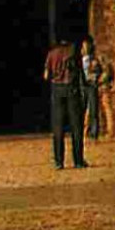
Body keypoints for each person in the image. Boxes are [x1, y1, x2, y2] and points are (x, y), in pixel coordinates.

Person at [43, 36, 88, 169]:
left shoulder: (51, 54)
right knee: (76, 126)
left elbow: (46, 75)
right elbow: (80, 72)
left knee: (58, 127)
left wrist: (55, 75)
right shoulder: (73, 52)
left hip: (57, 90)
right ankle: (78, 160)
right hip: (71, 89)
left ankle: (58, 161)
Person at [79, 34, 103, 140]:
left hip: (91, 85)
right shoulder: (79, 60)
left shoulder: (95, 59)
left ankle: (94, 131)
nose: (85, 48)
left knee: (93, 109)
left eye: (87, 46)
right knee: (81, 109)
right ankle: (82, 130)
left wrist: (96, 78)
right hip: (82, 85)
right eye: (84, 46)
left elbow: (101, 71)